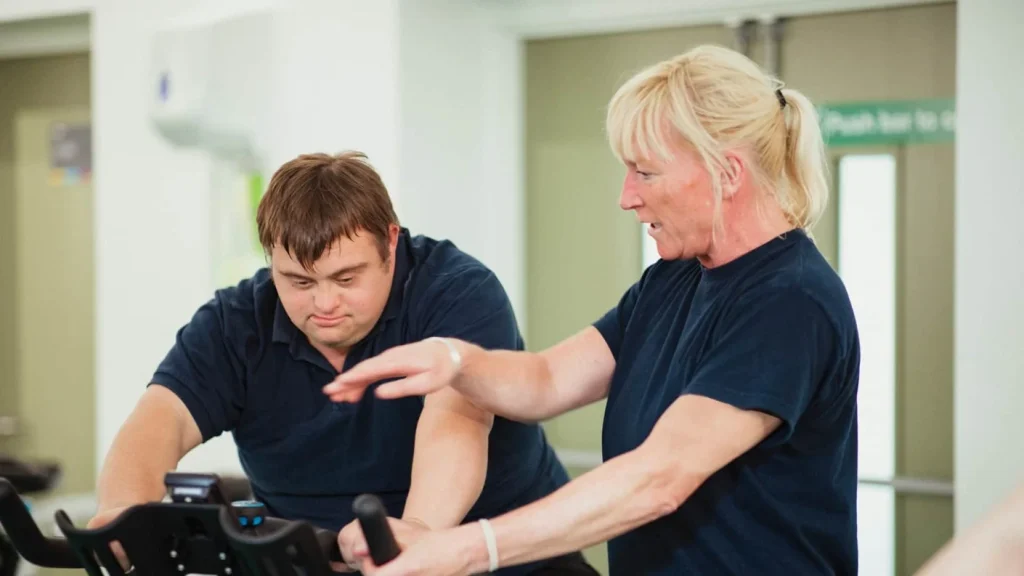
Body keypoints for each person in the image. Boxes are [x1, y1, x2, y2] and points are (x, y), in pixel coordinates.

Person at [324, 44, 861, 576]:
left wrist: (467, 549)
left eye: (645, 173)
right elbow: (547, 379)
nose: (627, 197)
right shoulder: (674, 279)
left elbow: (659, 478)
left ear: (728, 172)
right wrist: (455, 362)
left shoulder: (791, 301)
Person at [88, 151, 596, 575]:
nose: (324, 303)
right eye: (300, 282)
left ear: (390, 243)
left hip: (501, 560)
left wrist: (419, 536)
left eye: (347, 278)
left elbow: (457, 420)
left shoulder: (454, 291)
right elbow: (164, 418)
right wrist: (124, 514)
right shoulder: (236, 323)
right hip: (318, 562)